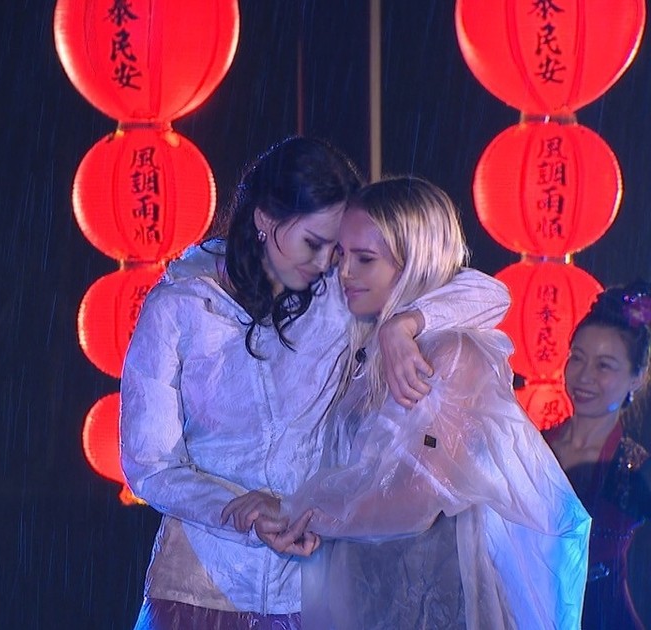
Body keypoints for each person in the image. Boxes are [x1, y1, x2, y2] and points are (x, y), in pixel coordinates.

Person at [119, 138, 510, 629]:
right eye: (314, 243)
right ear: (264, 220)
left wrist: (405, 324)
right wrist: (238, 512)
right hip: (200, 583)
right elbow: (149, 464)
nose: (327, 262)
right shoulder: (177, 307)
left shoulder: (337, 297)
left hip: (309, 585)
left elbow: (485, 292)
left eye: (337, 248)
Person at [228, 176, 590, 629]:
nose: (344, 272)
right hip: (373, 589)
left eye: (365, 259)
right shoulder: (367, 348)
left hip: (440, 595)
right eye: (341, 255)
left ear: (416, 261)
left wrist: (300, 512)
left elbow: (419, 495)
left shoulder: (452, 352)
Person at [544, 282, 651, 629]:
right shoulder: (532, 447)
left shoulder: (636, 471)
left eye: (604, 365)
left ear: (636, 378)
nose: (584, 376)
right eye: (577, 358)